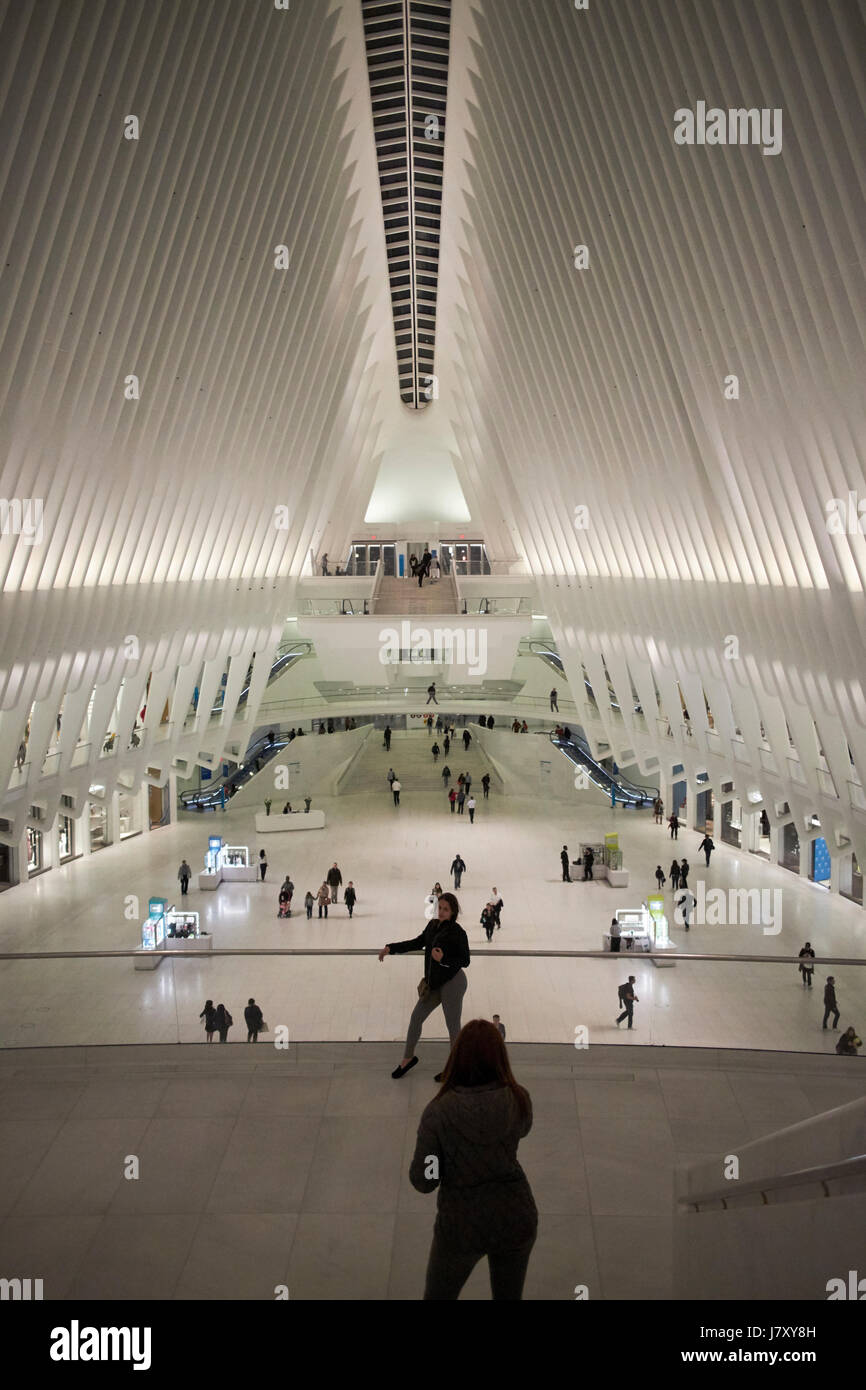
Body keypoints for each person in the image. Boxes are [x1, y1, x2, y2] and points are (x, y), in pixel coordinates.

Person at [409, 1019, 537, 1300]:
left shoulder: (438, 1112)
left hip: (461, 1223)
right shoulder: (518, 1097)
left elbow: (423, 1181)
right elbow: (523, 1129)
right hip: (515, 1215)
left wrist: (446, 1154)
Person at [381, 891, 471, 1081]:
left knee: (452, 1025)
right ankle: (408, 1058)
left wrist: (444, 959)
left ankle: (455, 1068)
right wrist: (391, 948)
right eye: (440, 907)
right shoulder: (432, 925)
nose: (442, 911)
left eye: (446, 909)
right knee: (416, 1018)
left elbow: (465, 960)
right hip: (435, 983)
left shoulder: (457, 932)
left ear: (453, 912)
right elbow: (417, 942)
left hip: (453, 982)